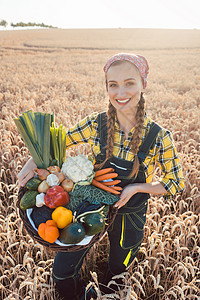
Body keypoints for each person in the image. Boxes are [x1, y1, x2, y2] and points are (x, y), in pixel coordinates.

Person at [17, 53, 185, 300]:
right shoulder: (97, 124)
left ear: (143, 84)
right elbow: (60, 141)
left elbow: (175, 183)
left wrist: (136, 188)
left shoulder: (158, 137)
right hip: (91, 205)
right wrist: (33, 161)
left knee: (118, 271)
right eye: (113, 84)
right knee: (62, 273)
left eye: (129, 83)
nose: (120, 92)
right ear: (106, 87)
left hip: (131, 212)